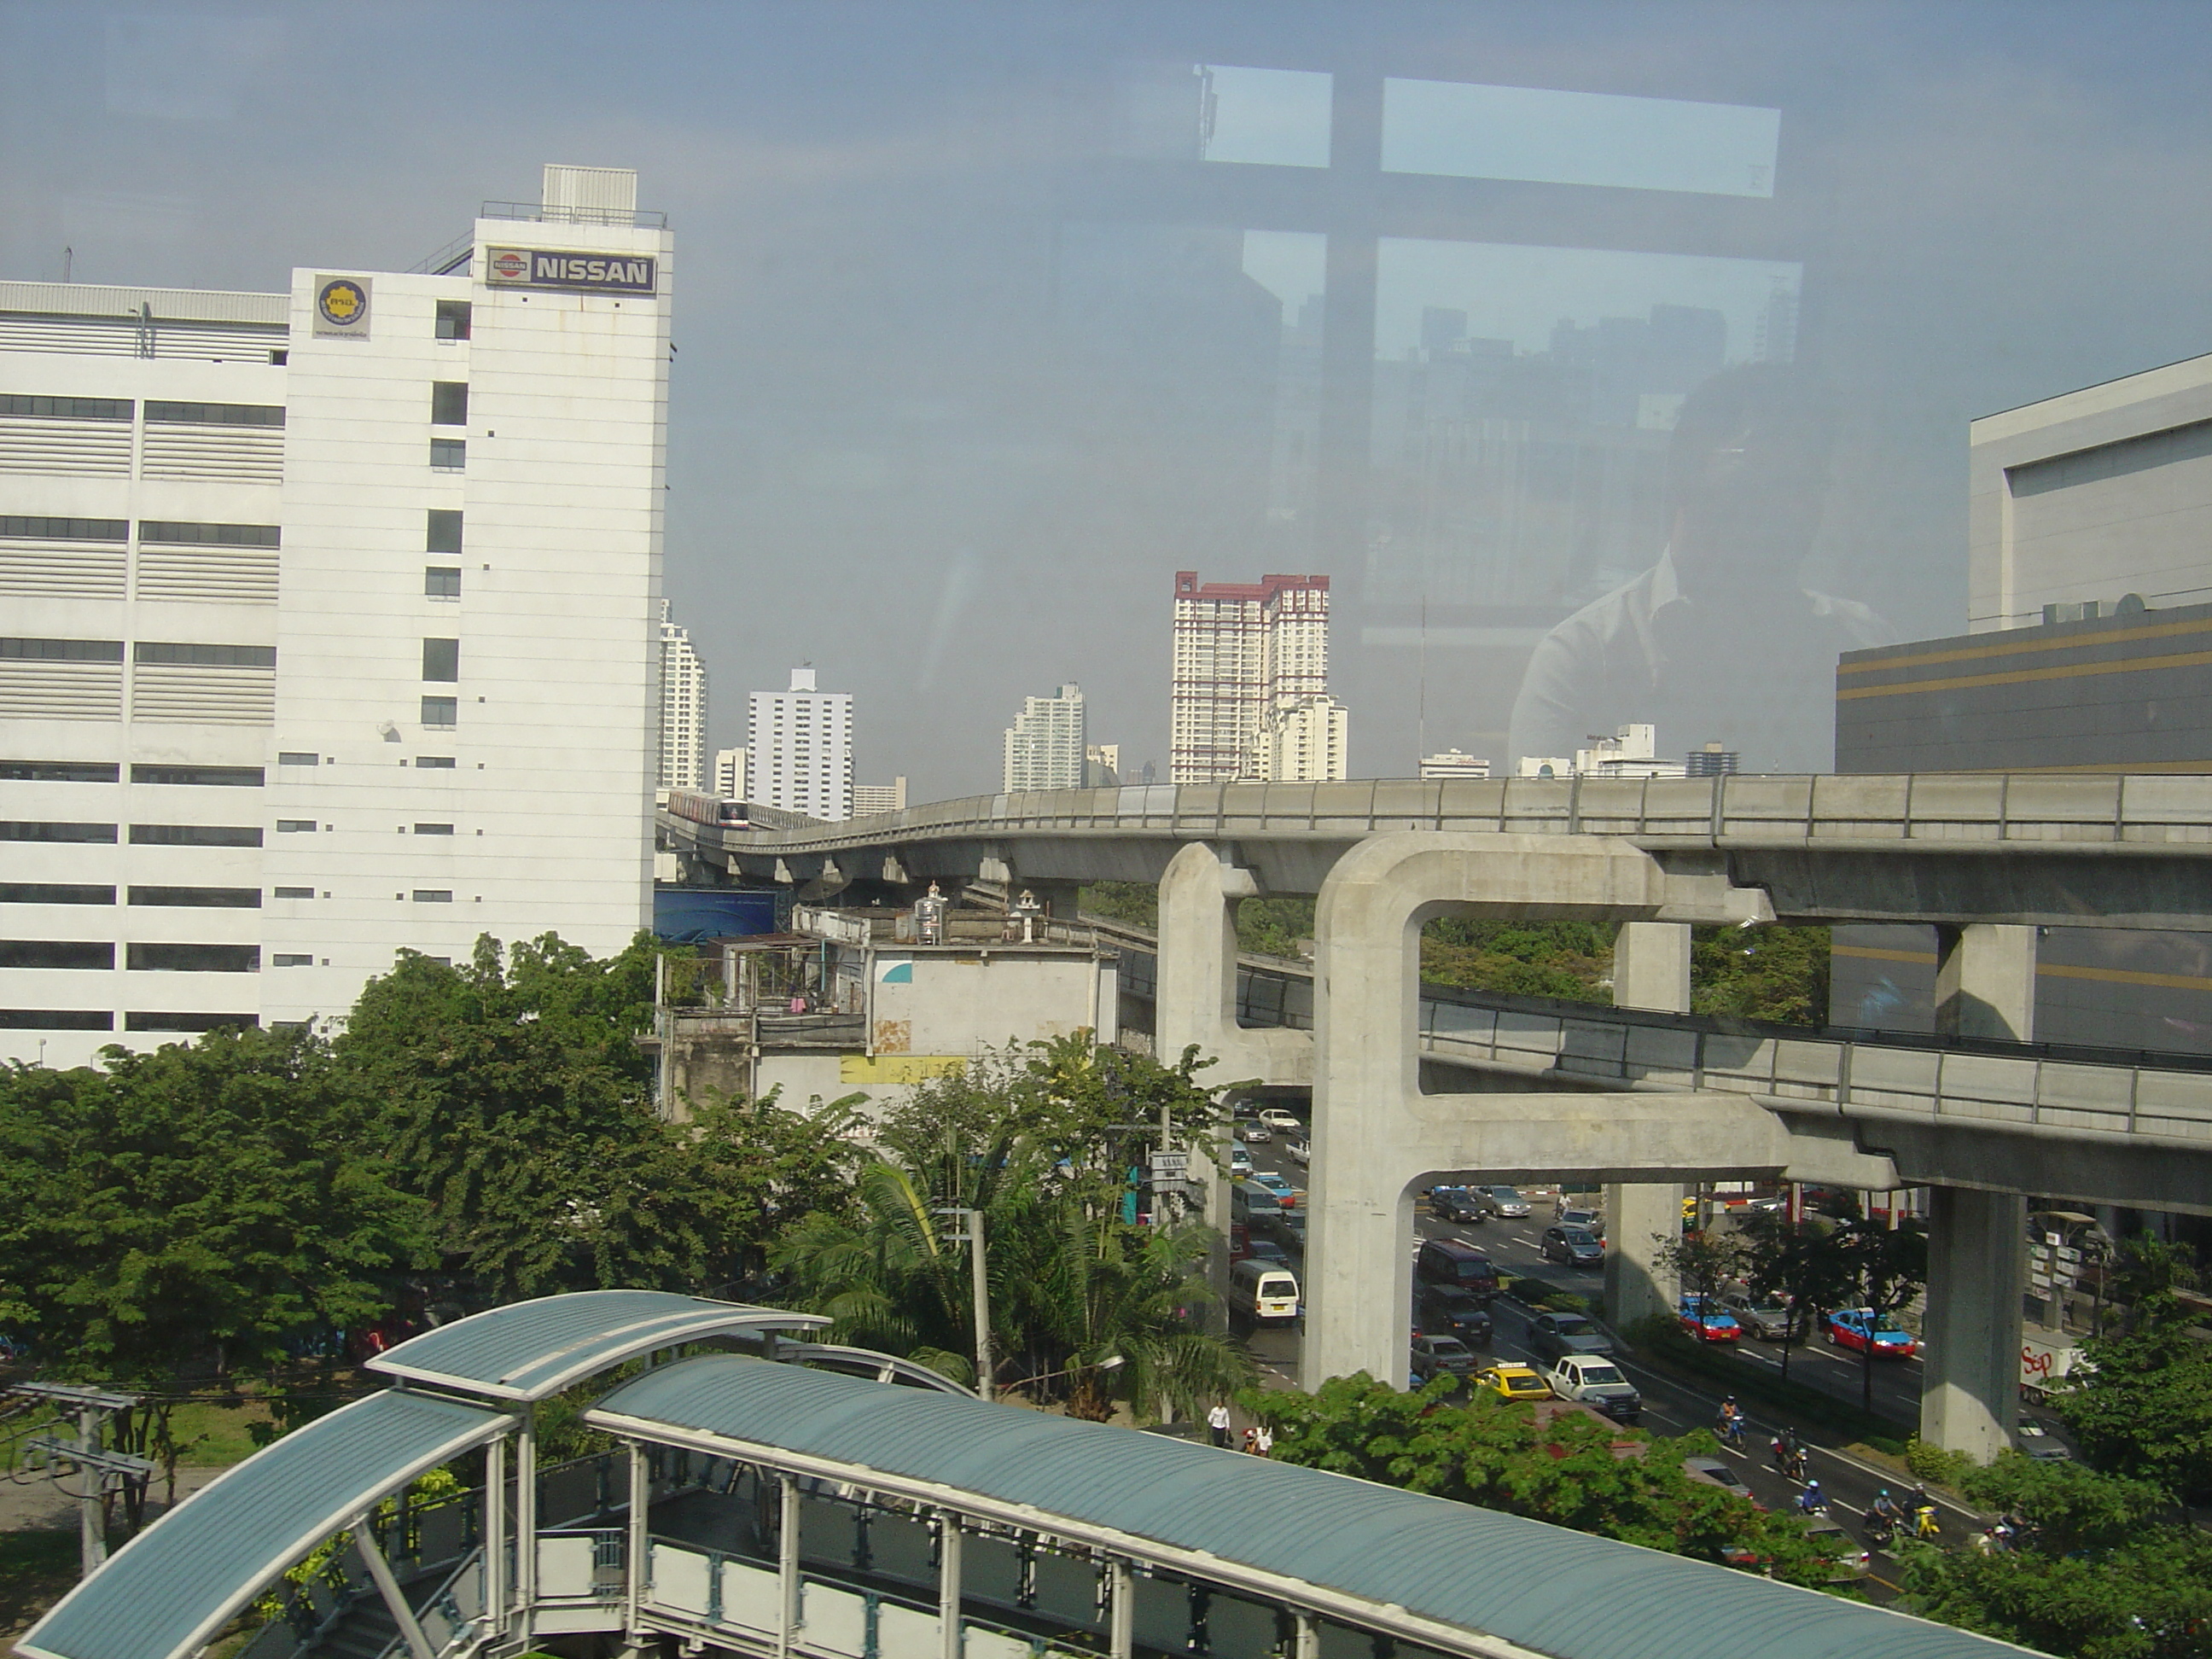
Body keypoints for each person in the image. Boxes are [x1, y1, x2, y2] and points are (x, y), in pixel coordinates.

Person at [1505, 364, 1895, 773]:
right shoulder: (1583, 657)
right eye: (1761, 473)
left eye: (1806, 481)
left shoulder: (1861, 645)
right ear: (1683, 477)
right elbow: (1539, 828)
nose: (1787, 505)